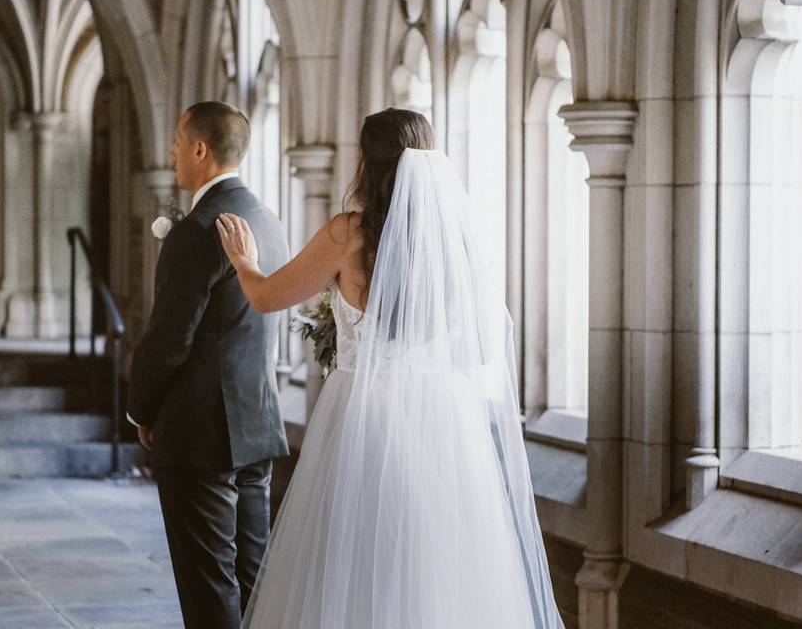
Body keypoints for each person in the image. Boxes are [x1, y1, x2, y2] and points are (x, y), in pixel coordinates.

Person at [216, 107, 563, 628]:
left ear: (366, 164)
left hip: (363, 417)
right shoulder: (454, 243)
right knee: (436, 562)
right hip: (443, 422)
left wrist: (244, 261)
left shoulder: (347, 235)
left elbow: (265, 297)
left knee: (352, 559)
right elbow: (481, 350)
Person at [126, 101, 290, 628]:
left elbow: (169, 341)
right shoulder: (268, 222)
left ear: (201, 148)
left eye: (178, 140)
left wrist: (140, 410)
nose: (172, 151)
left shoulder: (198, 231)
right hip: (256, 424)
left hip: (200, 435)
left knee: (209, 589)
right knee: (251, 579)